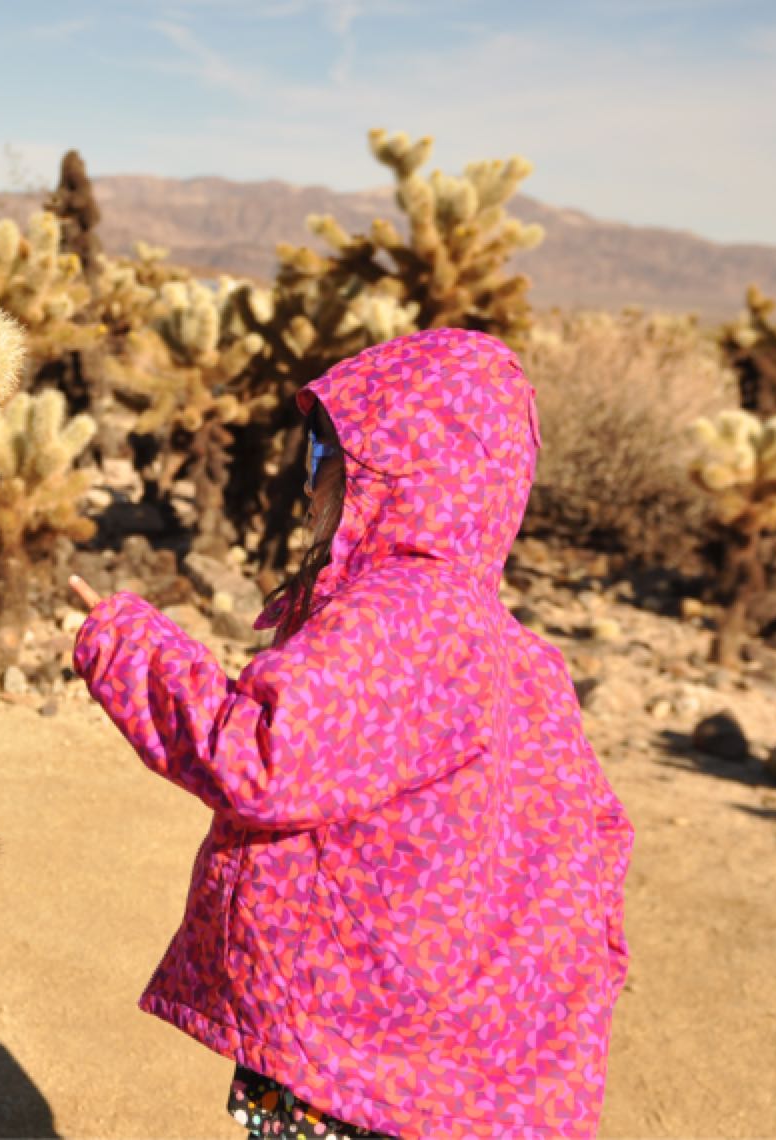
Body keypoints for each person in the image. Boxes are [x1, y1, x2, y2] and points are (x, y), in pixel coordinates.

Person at [67, 327, 635, 1139]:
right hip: (448, 1061)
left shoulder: (402, 615)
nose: (309, 487)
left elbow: (260, 757)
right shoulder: (516, 652)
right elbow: (591, 841)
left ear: (391, 469)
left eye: (323, 455)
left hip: (353, 1042)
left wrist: (126, 643)